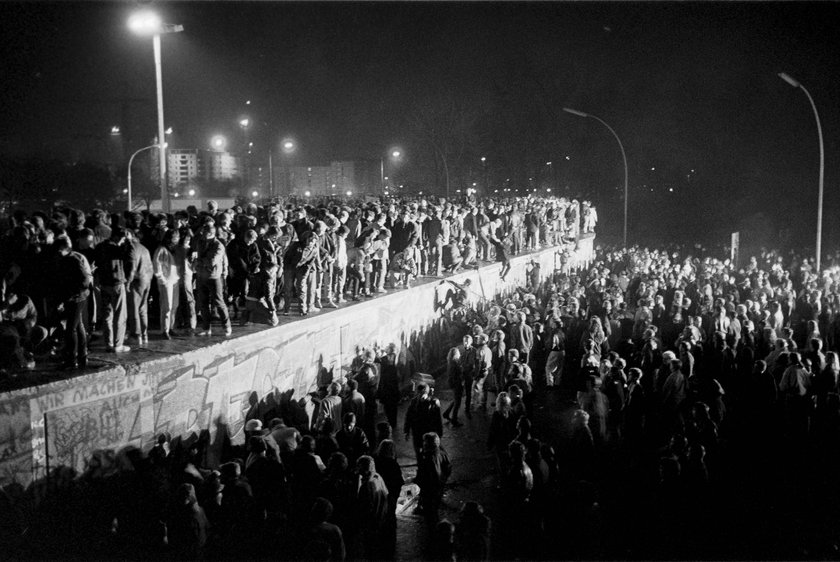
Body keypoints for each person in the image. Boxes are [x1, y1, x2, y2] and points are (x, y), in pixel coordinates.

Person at [55, 236, 93, 369]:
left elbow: (84, 280)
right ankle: (82, 356)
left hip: (76, 298)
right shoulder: (72, 258)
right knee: (78, 325)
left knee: (71, 328)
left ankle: (72, 359)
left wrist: (73, 293)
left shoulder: (72, 260)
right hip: (77, 297)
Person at [94, 226, 132, 353]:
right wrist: (130, 241)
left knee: (107, 315)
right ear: (117, 237)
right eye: (122, 239)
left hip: (104, 283)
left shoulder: (100, 247)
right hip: (117, 283)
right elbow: (130, 255)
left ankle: (108, 343)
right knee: (120, 315)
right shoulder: (116, 248)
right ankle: (118, 344)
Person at [194, 223, 231, 337]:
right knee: (203, 303)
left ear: (210, 234)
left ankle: (227, 326)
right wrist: (200, 262)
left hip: (213, 277)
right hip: (201, 276)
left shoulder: (218, 245)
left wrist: (198, 262)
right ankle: (206, 328)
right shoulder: (201, 242)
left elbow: (211, 261)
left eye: (204, 233)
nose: (202, 235)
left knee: (219, 302)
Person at [353, 455, 390, 561]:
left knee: (370, 550)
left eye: (358, 466)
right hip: (380, 519)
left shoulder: (366, 486)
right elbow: (386, 495)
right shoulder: (378, 477)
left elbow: (364, 508)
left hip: (371, 524)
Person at [416, 432, 452, 526]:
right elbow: (448, 468)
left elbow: (424, 477)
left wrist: (418, 482)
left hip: (430, 490)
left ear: (427, 444)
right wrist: (443, 480)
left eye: (424, 442)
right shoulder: (442, 453)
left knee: (430, 513)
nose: (423, 443)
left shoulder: (428, 459)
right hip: (439, 487)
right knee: (434, 508)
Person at [152, 228, 181, 339]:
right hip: (166, 281)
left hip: (175, 280)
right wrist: (162, 280)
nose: (177, 239)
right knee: (166, 306)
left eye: (178, 237)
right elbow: (157, 265)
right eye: (175, 237)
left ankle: (171, 327)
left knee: (174, 305)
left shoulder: (176, 249)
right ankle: (165, 330)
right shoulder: (162, 249)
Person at [404, 383, 444, 461]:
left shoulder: (434, 402)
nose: (420, 395)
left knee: (429, 452)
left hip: (428, 431)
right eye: (419, 392)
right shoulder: (414, 401)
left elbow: (438, 419)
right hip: (417, 431)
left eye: (422, 393)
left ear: (426, 392)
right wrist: (406, 430)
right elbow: (409, 416)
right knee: (418, 452)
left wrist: (439, 432)